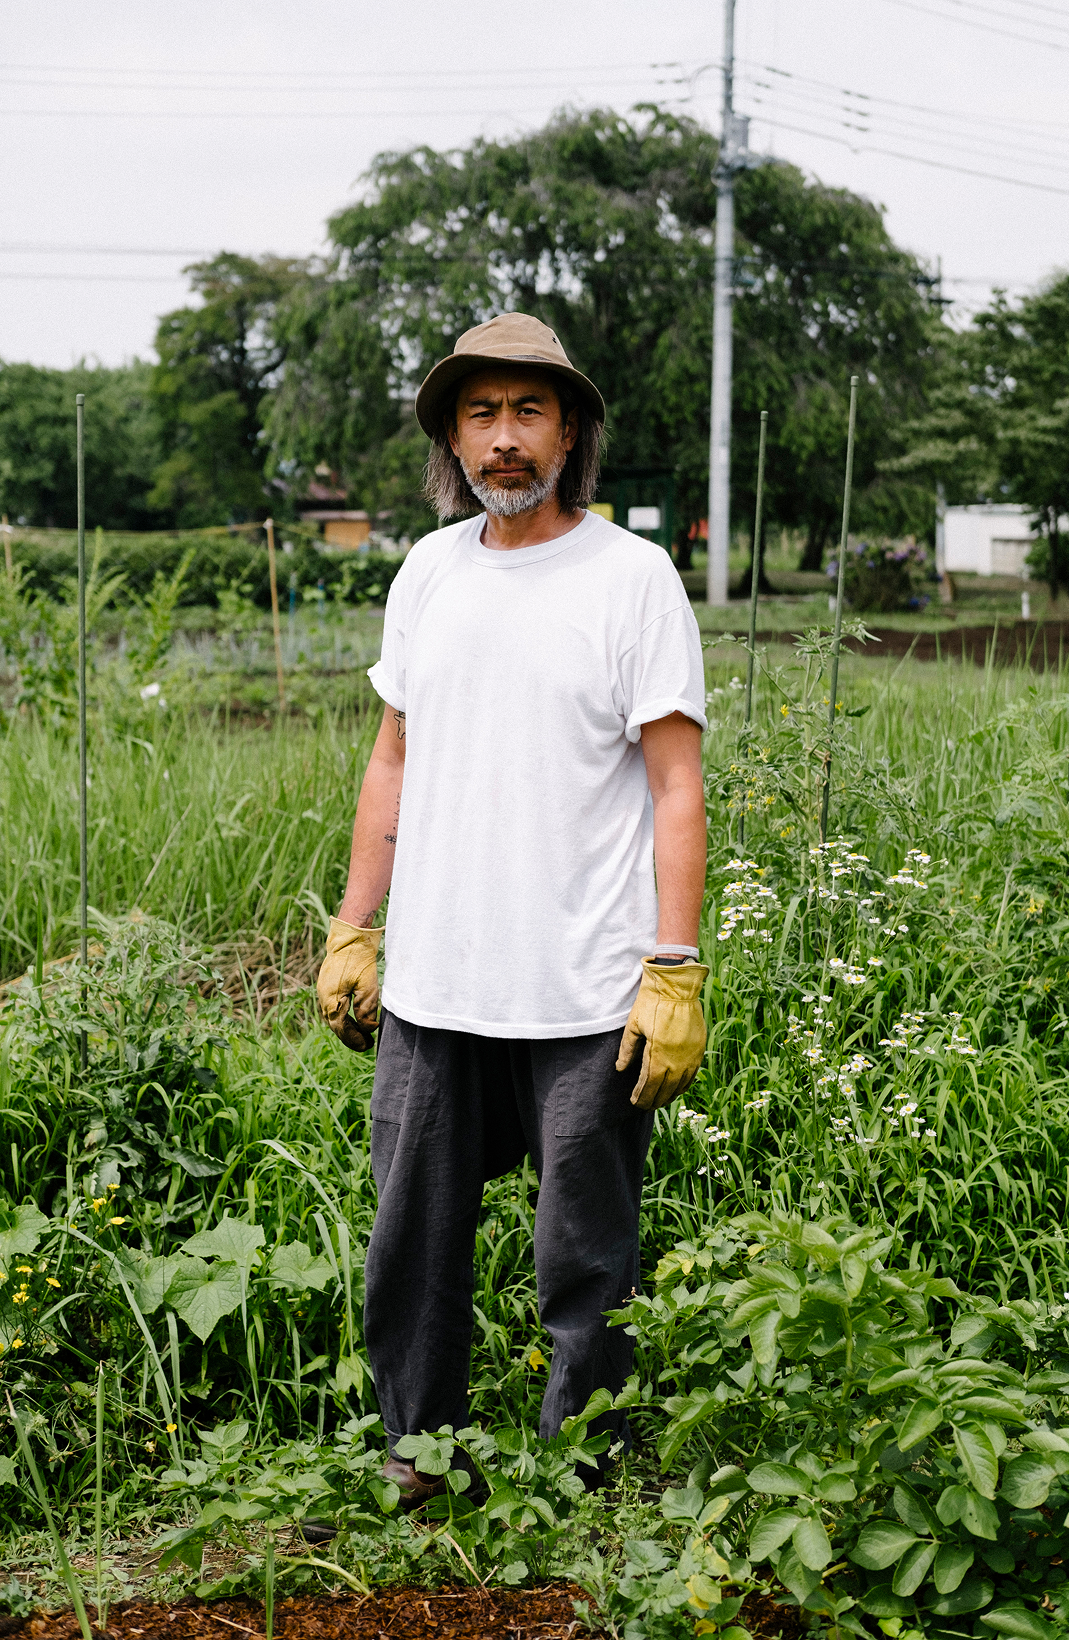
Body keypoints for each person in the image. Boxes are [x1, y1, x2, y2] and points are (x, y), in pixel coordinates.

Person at [317, 312, 708, 1506]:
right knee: (411, 1244)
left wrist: (674, 964)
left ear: (569, 431)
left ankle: (579, 1475)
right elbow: (391, 756)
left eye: (527, 411)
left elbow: (675, 782)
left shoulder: (630, 578)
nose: (502, 437)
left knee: (582, 1253)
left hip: (583, 987)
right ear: (451, 436)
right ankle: (418, 1455)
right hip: (436, 979)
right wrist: (353, 925)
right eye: (479, 413)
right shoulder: (428, 573)